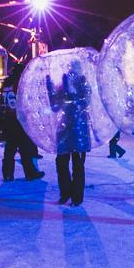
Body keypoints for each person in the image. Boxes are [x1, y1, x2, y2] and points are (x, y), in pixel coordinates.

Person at [47, 68, 93, 205]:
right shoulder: (64, 84)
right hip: (65, 128)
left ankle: (77, 197)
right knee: (61, 162)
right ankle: (65, 193)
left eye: (75, 70)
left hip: (79, 129)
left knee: (78, 164)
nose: (72, 73)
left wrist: (72, 94)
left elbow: (85, 103)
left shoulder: (84, 84)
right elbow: (55, 107)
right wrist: (50, 90)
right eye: (70, 70)